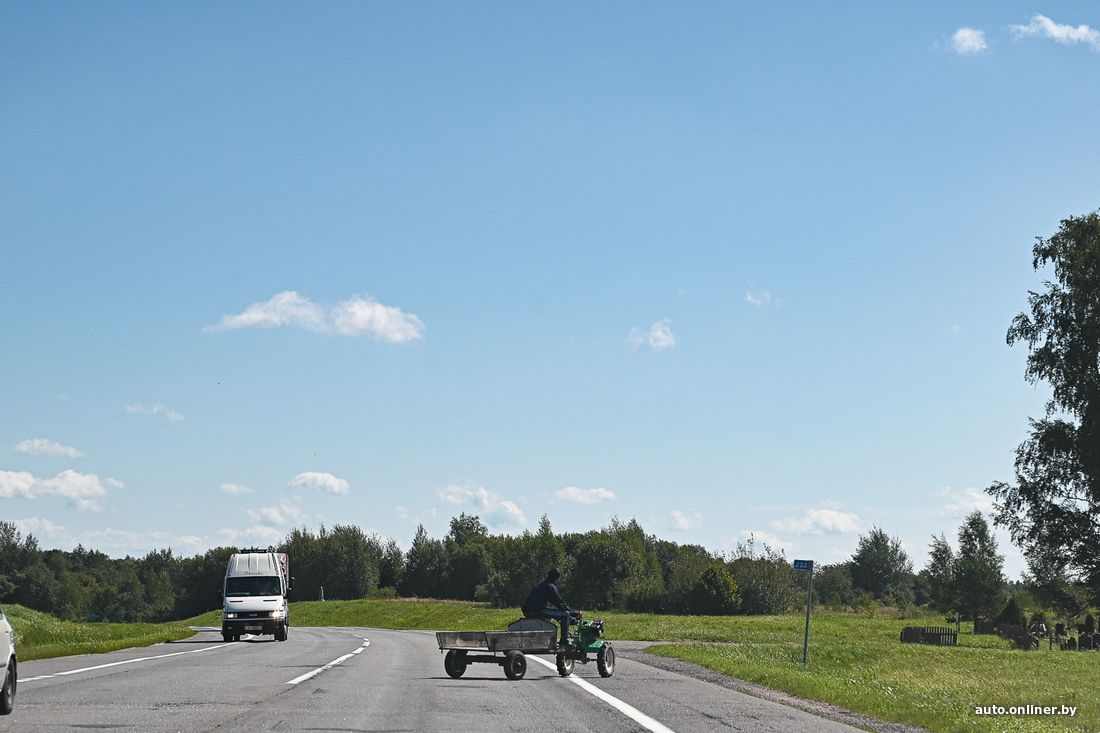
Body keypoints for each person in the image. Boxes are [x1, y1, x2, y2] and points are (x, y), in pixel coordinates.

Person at [521, 568, 581, 649]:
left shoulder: (542, 584)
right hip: (537, 611)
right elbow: (559, 603)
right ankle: (564, 640)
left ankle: (565, 626)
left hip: (528, 611)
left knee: (556, 613)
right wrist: (574, 613)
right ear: (557, 578)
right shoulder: (550, 586)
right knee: (565, 615)